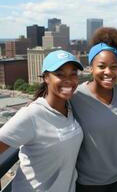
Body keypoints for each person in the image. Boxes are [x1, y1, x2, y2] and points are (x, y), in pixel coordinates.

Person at [0, 50, 84, 192]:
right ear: (46, 77)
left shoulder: (69, 106)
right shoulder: (32, 115)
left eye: (73, 73)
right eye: (59, 74)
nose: (68, 80)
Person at [71, 27, 117, 192]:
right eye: (101, 66)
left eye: (114, 66)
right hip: (89, 183)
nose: (108, 72)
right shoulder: (74, 96)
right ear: (91, 68)